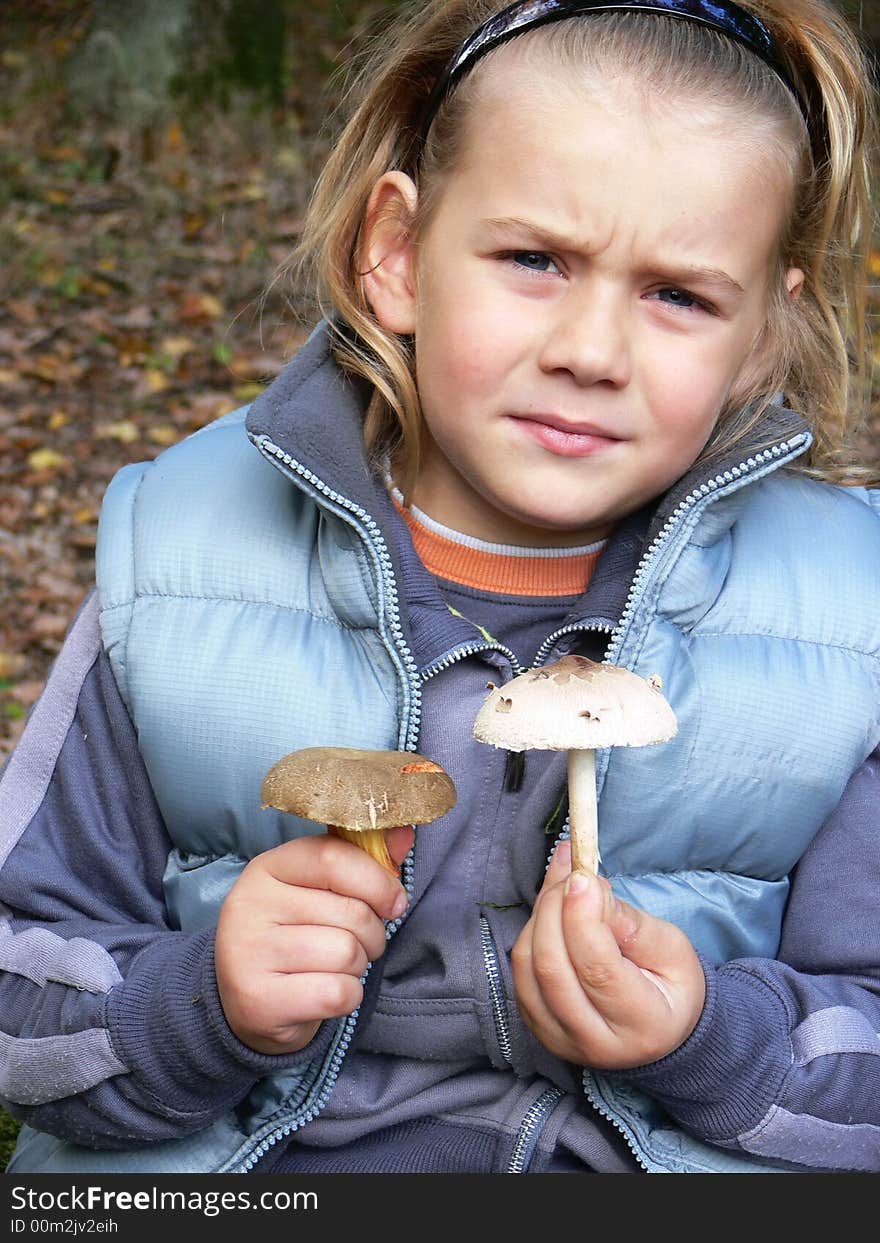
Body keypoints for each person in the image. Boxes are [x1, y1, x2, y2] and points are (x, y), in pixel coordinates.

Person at [1, 0, 879, 1176]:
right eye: (534, 260)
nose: (590, 349)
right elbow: (21, 990)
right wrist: (194, 1003)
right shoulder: (185, 574)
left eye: (678, 294)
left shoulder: (846, 625)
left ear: (764, 330)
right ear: (398, 256)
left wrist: (714, 1041)